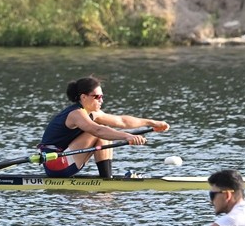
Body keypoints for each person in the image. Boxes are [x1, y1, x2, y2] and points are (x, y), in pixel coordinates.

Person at [40, 76, 168, 178]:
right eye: (97, 97)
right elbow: (98, 130)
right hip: (55, 164)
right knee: (101, 129)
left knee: (104, 128)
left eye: (102, 96)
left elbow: (122, 121)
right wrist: (127, 136)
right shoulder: (76, 114)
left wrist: (153, 123)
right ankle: (107, 180)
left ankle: (107, 178)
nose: (101, 100)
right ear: (83, 97)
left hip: (66, 161)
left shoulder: (92, 114)